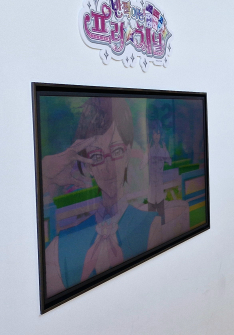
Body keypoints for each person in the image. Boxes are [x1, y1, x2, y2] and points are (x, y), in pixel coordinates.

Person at [41, 97, 189, 297]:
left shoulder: (149, 226)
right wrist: (45, 176)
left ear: (128, 153)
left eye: (117, 151)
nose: (108, 168)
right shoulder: (61, 249)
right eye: (96, 156)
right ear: (88, 166)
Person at [148, 121, 171, 224]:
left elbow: (169, 162)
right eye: (154, 134)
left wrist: (166, 151)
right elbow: (141, 166)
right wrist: (147, 152)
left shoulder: (162, 151)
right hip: (151, 192)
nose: (156, 136)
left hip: (160, 192)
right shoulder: (150, 151)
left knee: (162, 221)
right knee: (151, 223)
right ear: (152, 136)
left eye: (158, 133)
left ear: (161, 135)